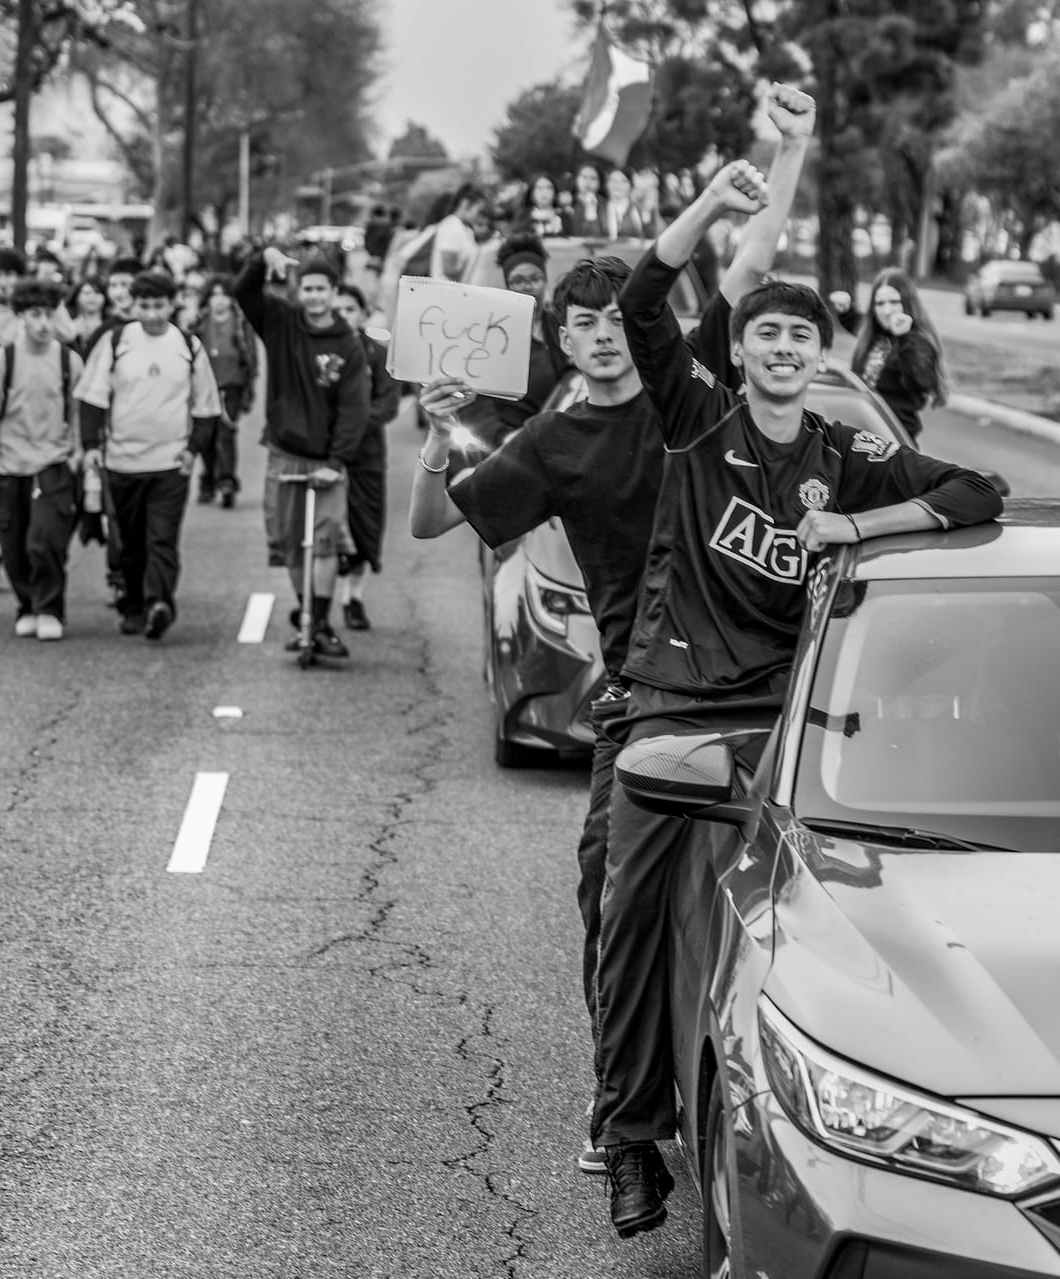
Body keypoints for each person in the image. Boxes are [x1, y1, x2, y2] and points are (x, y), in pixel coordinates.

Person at [414, 81, 824, 1188]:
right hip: (635, 699)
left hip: (774, 685)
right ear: (556, 337)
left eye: (615, 320)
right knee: (607, 886)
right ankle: (622, 1106)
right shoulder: (547, 442)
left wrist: (787, 151)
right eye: (580, 325)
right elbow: (430, 521)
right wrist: (434, 428)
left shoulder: (686, 395)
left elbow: (749, 265)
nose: (602, 338)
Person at [593, 151, 1003, 1237]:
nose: (782, 349)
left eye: (801, 336)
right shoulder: (693, 420)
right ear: (738, 349)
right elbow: (641, 302)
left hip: (791, 724)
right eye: (766, 333)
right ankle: (629, 1136)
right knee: (627, 908)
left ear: (822, 354)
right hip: (672, 707)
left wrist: (856, 525)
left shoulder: (845, 454)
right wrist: (713, 205)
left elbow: (976, 491)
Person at [235, 249, 370, 659]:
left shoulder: (348, 344)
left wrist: (336, 462)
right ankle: (305, 611)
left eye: (321, 290)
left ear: (333, 292)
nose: (313, 297)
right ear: (299, 291)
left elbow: (354, 408)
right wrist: (262, 259)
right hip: (283, 452)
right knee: (292, 543)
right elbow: (243, 291)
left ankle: (322, 621)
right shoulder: (281, 322)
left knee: (326, 543)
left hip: (326, 460)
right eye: (307, 289)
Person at [74, 270, 223, 639]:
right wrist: (91, 446)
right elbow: (92, 397)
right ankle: (133, 604)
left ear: (172, 305)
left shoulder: (188, 346)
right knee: (129, 539)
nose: (153, 314)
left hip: (170, 463)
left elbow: (206, 406)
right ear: (132, 305)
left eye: (159, 306)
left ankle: (160, 603)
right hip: (122, 461)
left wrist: (193, 451)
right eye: (145, 306)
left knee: (162, 538)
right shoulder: (116, 341)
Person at [0, 281, 84, 641]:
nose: (43, 323)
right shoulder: (0, 360)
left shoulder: (70, 360)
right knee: (14, 544)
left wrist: (77, 452)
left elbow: (78, 411)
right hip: (9, 464)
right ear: (20, 317)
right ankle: (27, 604)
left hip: (53, 461)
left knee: (46, 540)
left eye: (49, 315)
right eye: (35, 315)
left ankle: (50, 608)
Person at [331, 283, 398, 631]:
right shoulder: (320, 349)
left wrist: (352, 425)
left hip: (367, 454)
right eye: (337, 309)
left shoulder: (377, 350)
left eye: (350, 309)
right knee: (323, 527)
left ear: (361, 313)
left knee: (364, 527)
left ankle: (352, 598)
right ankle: (315, 604)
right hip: (325, 454)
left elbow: (388, 403)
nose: (343, 316)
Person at [479, 233, 571, 446]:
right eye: (518, 281)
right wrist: (501, 436)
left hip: (562, 438)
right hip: (512, 443)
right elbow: (479, 401)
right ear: (507, 286)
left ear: (546, 281)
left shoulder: (562, 326)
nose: (528, 286)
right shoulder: (493, 335)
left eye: (535, 278)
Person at [850, 267, 949, 443]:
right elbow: (857, 323)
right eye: (880, 303)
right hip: (864, 440)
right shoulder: (877, 337)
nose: (887, 310)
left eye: (894, 302)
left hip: (895, 445)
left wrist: (904, 338)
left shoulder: (917, 341)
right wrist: (845, 312)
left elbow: (921, 381)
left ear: (907, 303)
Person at [190, 274, 257, 507]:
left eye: (224, 296)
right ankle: (208, 478)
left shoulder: (240, 322)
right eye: (214, 296)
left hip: (231, 385)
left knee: (225, 434)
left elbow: (251, 358)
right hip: (203, 387)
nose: (219, 301)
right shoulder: (199, 322)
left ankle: (226, 480)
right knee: (206, 437)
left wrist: (250, 387)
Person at [431, 183, 489, 282]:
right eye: (478, 210)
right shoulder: (452, 226)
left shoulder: (466, 229)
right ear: (465, 203)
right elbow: (449, 270)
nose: (478, 216)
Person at [65, 279, 111, 358]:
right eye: (87, 293)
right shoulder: (67, 325)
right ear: (77, 297)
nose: (92, 297)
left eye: (97, 292)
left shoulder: (111, 325)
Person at [564, 163, 605, 237]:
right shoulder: (567, 202)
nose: (588, 181)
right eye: (584, 177)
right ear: (576, 179)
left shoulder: (605, 205)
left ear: (600, 183)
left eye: (593, 178)